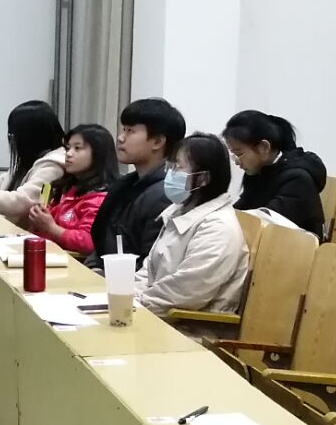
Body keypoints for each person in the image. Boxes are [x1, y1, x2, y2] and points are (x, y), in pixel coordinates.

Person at [135, 133, 250, 316]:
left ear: (203, 178)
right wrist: (127, 294)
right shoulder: (179, 212)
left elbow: (186, 292)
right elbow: (149, 271)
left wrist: (136, 303)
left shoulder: (218, 228)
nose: (170, 174)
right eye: (170, 166)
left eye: (178, 167)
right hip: (155, 312)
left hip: (187, 326)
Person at [89, 98, 185, 267]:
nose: (120, 138)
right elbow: (101, 241)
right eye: (123, 129)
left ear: (157, 142)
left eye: (130, 131)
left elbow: (151, 264)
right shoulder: (124, 184)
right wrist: (93, 268)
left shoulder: (167, 195)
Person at [223, 110, 325, 239]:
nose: (236, 161)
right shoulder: (258, 171)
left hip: (293, 247)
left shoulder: (298, 179)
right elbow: (241, 211)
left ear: (264, 147)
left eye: (239, 153)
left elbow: (269, 220)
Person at [22, 124, 117, 257]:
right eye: (68, 148)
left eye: (77, 148)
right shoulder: (65, 188)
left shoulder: (100, 197)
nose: (69, 154)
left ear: (98, 153)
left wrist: (51, 227)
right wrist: (37, 220)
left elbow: (88, 243)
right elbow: (42, 232)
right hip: (51, 256)